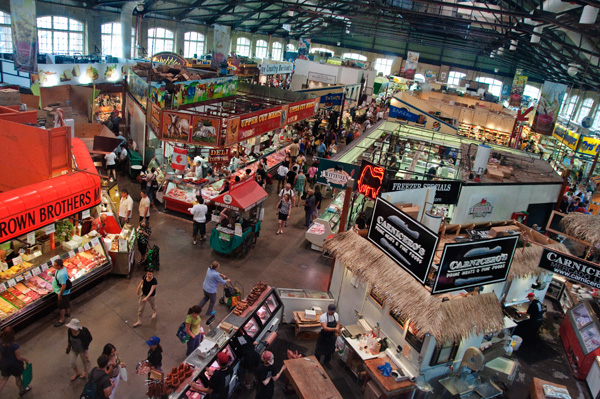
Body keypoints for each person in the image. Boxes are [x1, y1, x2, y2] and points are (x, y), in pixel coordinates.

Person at [0, 327, 31, 396]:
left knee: (4, 379)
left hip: (4, 363)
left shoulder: (1, 342)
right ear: (12, 335)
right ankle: (22, 390)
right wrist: (25, 359)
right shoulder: (14, 345)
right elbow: (18, 357)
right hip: (14, 365)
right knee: (18, 378)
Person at [52, 259, 71, 327]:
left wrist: (60, 294)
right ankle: (67, 313)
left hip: (63, 292)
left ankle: (61, 320)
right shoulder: (62, 269)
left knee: (61, 306)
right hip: (67, 292)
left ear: (59, 266)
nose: (54, 266)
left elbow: (63, 286)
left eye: (55, 265)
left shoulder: (61, 275)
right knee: (66, 302)